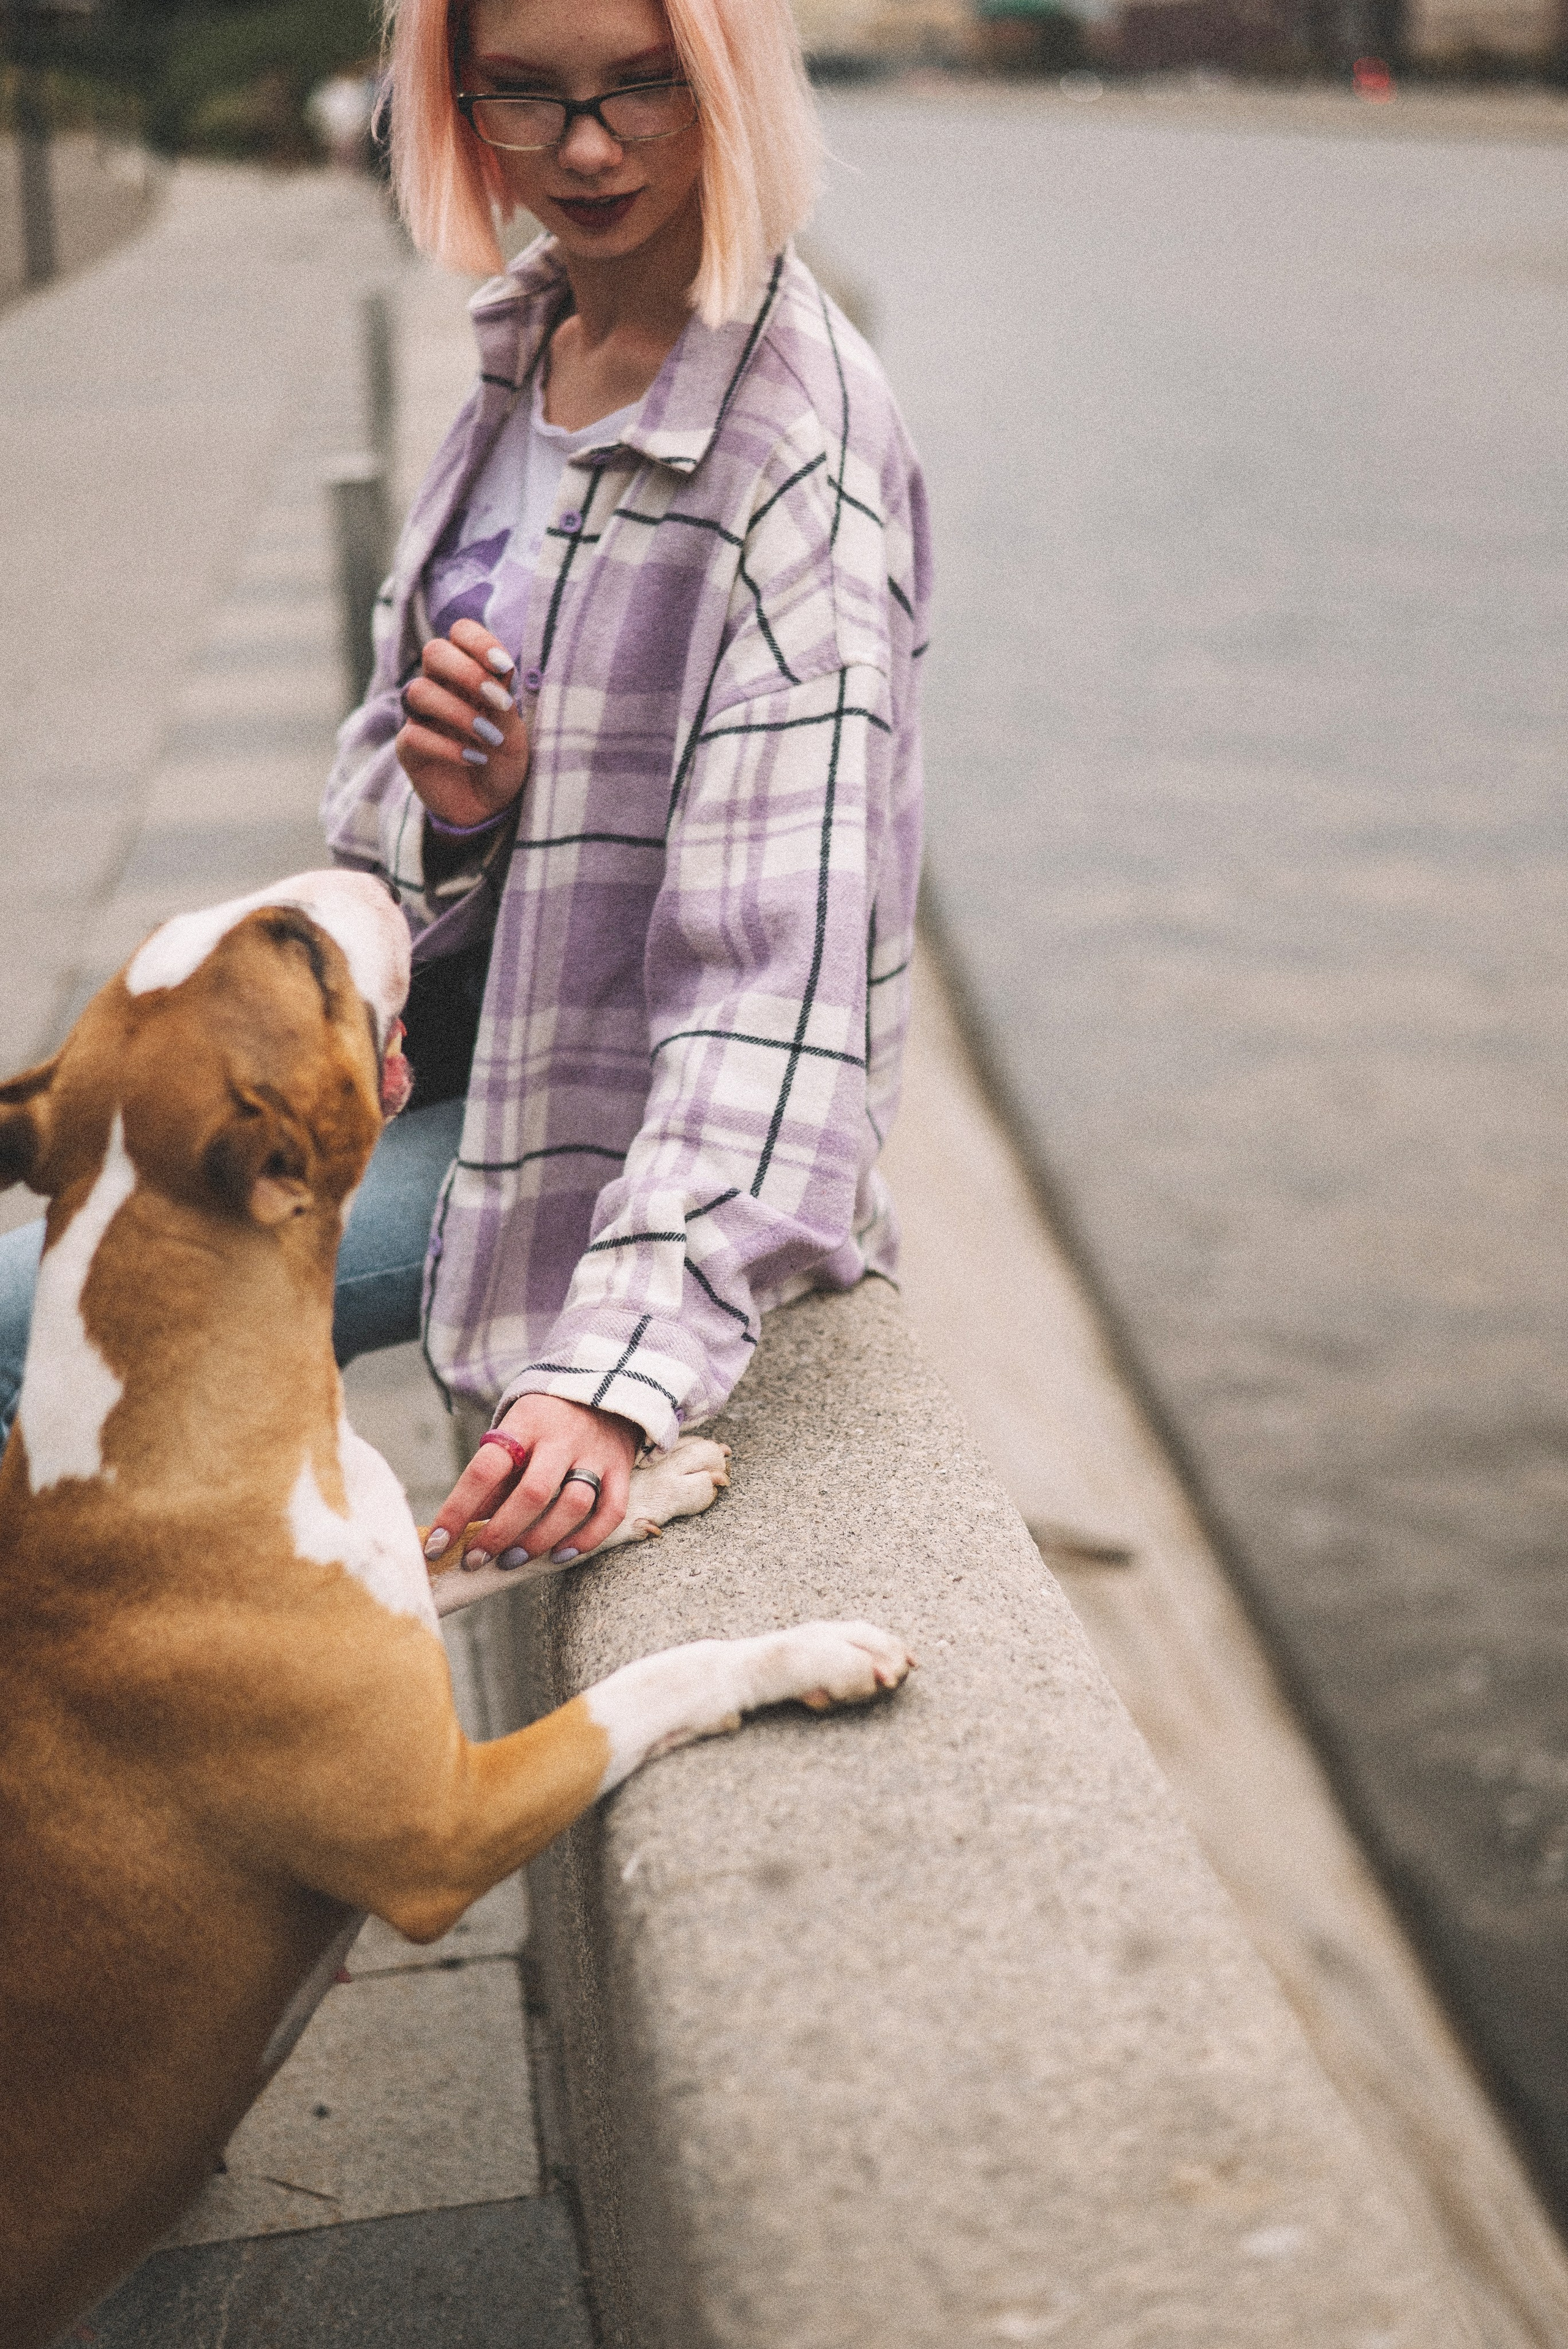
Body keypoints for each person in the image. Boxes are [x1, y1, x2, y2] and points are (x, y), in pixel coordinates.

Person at [0, 0, 930, 1585]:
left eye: (641, 88)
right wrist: (463, 804)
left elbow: (780, 995)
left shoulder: (797, 456)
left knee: (24, 1323)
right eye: (526, 95)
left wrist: (617, 1371)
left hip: (592, 1155)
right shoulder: (530, 342)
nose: (586, 149)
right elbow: (375, 788)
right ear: (455, 95)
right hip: (439, 1062)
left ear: (728, 80)